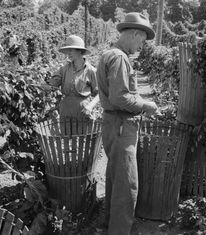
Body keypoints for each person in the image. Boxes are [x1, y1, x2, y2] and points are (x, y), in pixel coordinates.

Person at [96, 12, 160, 235]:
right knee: (127, 184)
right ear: (133, 34)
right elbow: (120, 97)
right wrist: (146, 104)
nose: (141, 46)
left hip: (113, 124)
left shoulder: (108, 54)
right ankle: (120, 231)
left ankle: (108, 223)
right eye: (141, 41)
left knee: (115, 176)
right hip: (122, 125)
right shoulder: (120, 58)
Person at [47, 35, 98, 122]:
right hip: (66, 110)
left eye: (71, 50)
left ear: (80, 51)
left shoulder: (91, 71)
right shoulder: (64, 69)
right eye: (67, 51)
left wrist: (90, 106)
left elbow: (100, 93)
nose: (68, 54)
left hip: (83, 110)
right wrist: (46, 86)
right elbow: (52, 83)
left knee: (83, 134)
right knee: (66, 134)